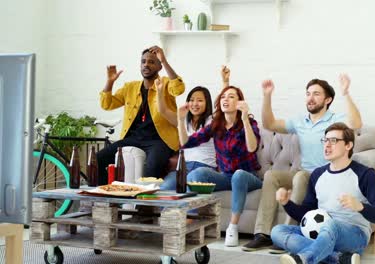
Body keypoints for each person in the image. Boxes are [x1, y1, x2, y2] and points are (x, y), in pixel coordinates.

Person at [243, 74, 363, 252]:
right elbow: (269, 124)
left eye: (316, 94)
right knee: (271, 176)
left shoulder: (335, 120)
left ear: (328, 99)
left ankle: (292, 234)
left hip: (322, 174)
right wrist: (267, 96)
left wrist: (346, 93)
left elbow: (356, 122)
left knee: (300, 177)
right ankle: (262, 234)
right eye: (308, 93)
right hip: (304, 171)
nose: (310, 98)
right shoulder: (300, 121)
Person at [271, 122, 375, 264]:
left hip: (355, 235)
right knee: (278, 231)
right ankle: (339, 258)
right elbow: (306, 213)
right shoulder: (317, 174)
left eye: (333, 141)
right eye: (325, 140)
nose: (327, 145)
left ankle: (304, 259)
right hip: (321, 231)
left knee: (331, 225)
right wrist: (287, 203)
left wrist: (360, 207)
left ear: (348, 145)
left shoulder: (364, 174)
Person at [178, 85, 263, 247]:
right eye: (223, 97)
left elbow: (252, 147)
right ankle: (191, 221)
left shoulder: (250, 123)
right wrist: (181, 120)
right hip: (226, 176)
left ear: (239, 103)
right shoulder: (216, 125)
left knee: (238, 174)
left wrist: (244, 118)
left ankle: (233, 227)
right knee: (197, 174)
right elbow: (186, 143)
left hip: (248, 176)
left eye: (231, 97)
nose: (226, 99)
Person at [97, 46, 185, 185]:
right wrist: (110, 82)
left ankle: (146, 206)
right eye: (143, 61)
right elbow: (107, 104)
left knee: (152, 168)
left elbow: (179, 88)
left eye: (151, 62)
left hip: (159, 140)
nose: (146, 65)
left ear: (159, 67)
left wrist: (165, 61)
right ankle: (104, 198)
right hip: (133, 138)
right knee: (98, 159)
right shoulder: (130, 87)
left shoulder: (165, 83)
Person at [159, 85, 216, 190]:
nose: (194, 104)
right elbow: (163, 111)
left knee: (188, 192)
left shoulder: (212, 121)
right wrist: (160, 91)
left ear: (207, 103)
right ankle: (170, 207)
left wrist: (225, 82)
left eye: (200, 100)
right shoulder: (183, 120)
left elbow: (224, 109)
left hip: (203, 167)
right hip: (183, 168)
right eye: (191, 100)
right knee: (164, 189)